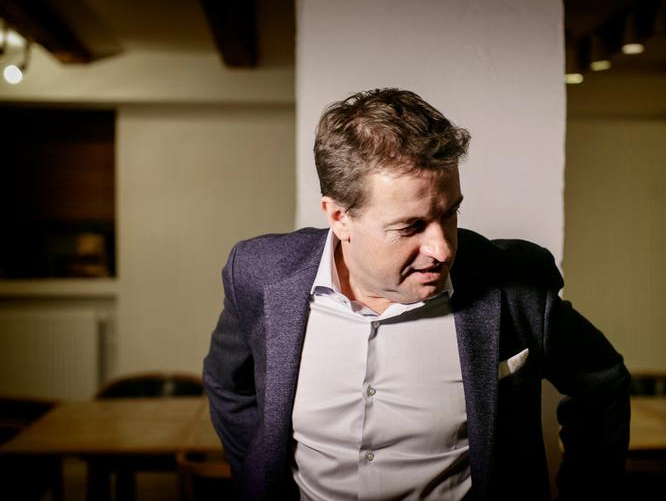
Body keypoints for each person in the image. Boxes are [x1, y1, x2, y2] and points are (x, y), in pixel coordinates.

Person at [203, 88, 630, 501]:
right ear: (339, 217)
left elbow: (601, 383)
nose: (442, 249)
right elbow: (228, 387)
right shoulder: (258, 275)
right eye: (410, 226)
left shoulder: (515, 284)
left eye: (450, 213)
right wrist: (255, 479)